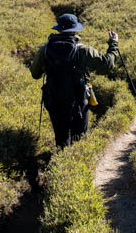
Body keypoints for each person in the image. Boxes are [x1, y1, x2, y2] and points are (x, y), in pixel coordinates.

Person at [30, 13, 118, 148]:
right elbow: (107, 63)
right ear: (75, 30)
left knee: (61, 140)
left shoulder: (45, 49)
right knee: (80, 139)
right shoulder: (82, 50)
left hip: (54, 101)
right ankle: (75, 165)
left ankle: (62, 163)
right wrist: (113, 44)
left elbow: (35, 74)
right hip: (78, 102)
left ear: (58, 29)